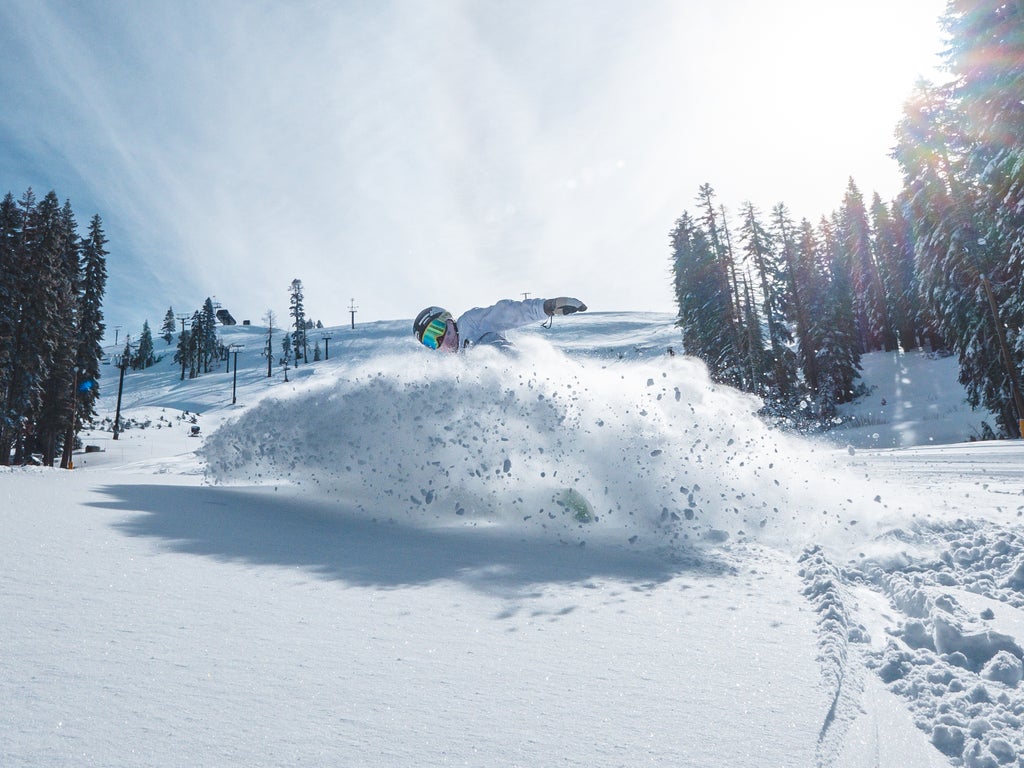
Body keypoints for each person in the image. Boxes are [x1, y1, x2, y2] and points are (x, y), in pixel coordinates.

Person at [413, 297, 587, 352]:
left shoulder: (470, 323)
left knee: (484, 353)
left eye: (437, 329)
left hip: (518, 369)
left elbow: (508, 313)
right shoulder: (455, 363)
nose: (440, 340)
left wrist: (547, 307)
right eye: (431, 341)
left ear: (448, 320)